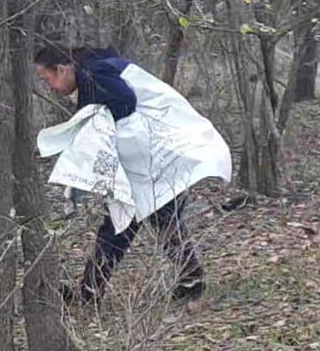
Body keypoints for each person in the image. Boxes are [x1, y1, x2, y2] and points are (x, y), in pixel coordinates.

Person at [35, 44, 230, 306]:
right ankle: (92, 292)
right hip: (147, 161)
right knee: (126, 226)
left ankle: (188, 280)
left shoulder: (94, 73)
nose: (51, 87)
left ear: (62, 69)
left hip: (149, 163)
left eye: (49, 79)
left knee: (139, 223)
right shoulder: (97, 69)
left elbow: (125, 103)